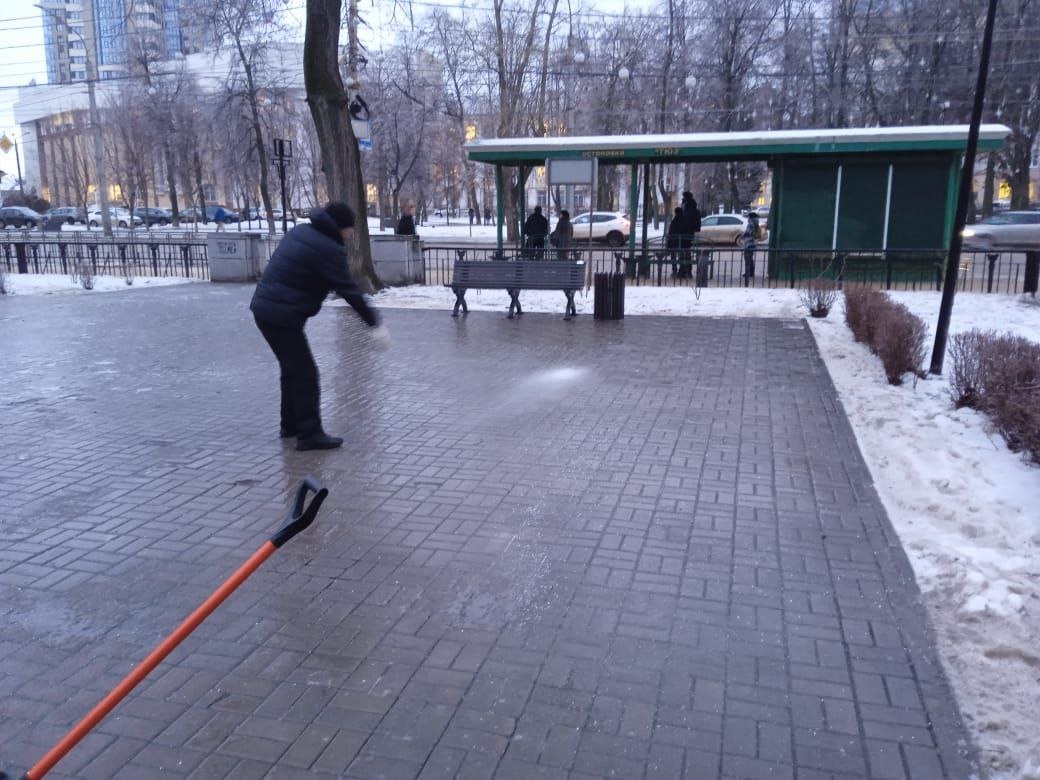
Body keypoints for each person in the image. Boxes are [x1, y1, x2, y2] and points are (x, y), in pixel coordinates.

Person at [250, 201, 389, 451]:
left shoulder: (301, 231)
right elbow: (348, 290)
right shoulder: (328, 249)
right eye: (350, 229)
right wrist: (374, 323)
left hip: (267, 309)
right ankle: (309, 434)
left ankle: (291, 425)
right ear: (341, 227)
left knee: (292, 369)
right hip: (281, 314)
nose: (351, 234)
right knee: (305, 373)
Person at [679, 192, 701, 278]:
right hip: (689, 232)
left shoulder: (688, 207)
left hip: (685, 232)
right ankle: (686, 270)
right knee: (686, 252)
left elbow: (686, 219)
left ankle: (684, 270)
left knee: (684, 252)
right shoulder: (692, 206)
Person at [741, 211, 760, 284]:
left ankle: (748, 273)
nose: (747, 218)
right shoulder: (756, 223)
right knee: (750, 259)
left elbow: (748, 233)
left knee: (747, 259)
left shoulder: (751, 224)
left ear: (750, 217)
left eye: (748, 217)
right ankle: (751, 272)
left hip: (748, 243)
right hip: (753, 243)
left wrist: (742, 236)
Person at [667, 206, 684, 276]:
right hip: (683, 243)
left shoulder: (674, 221)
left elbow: (670, 232)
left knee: (673, 256)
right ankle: (682, 270)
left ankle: (674, 270)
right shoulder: (684, 220)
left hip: (674, 243)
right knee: (682, 256)